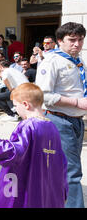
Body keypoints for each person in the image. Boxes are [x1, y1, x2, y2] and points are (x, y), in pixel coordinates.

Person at [0, 83, 68, 208]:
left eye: (15, 106)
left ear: (25, 104)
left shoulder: (28, 126)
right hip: (44, 188)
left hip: (25, 186)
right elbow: (61, 162)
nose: (15, 110)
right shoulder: (52, 127)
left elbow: (13, 153)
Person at [36, 22, 87, 208]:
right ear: (59, 41)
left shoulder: (77, 60)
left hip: (76, 121)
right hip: (60, 120)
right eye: (72, 40)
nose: (77, 44)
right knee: (72, 172)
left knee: (65, 169)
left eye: (80, 40)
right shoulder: (51, 60)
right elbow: (43, 95)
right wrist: (77, 103)